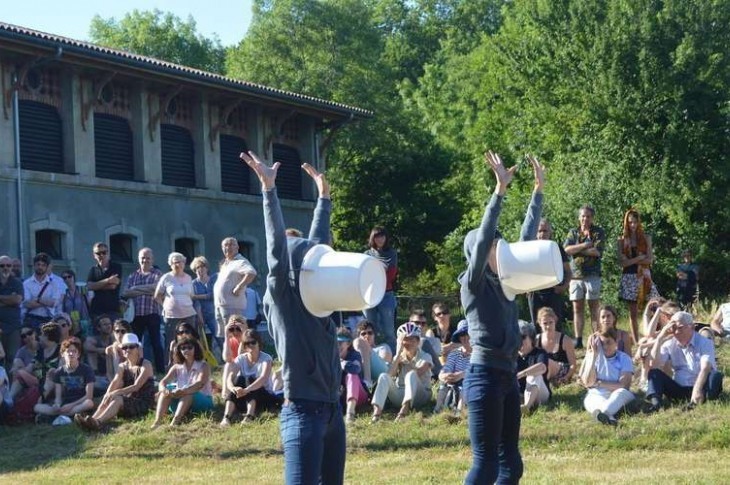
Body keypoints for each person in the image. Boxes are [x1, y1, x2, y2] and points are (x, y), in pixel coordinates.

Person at [241, 149, 345, 484]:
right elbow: (276, 250)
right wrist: (269, 192)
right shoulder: (283, 299)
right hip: (302, 411)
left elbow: (317, 246)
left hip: (332, 411)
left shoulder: (317, 298)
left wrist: (324, 200)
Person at [461, 151, 544, 484]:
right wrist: (499, 192)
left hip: (508, 375)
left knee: (511, 465)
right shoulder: (473, 282)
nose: (500, 251)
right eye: (494, 248)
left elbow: (524, 241)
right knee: (486, 466)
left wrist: (538, 191)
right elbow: (483, 240)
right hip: (483, 376)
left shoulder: (508, 278)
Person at [75, 333, 155, 431]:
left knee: (117, 398)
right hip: (129, 402)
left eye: (131, 347)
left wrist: (115, 392)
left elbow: (136, 386)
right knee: (109, 396)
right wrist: (107, 395)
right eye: (125, 347)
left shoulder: (146, 364)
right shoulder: (122, 366)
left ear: (137, 349)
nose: (128, 350)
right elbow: (115, 382)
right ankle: (91, 420)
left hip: (144, 403)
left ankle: (98, 422)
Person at [646, 311, 723, 412]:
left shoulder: (704, 342)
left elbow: (705, 368)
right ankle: (656, 404)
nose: (676, 332)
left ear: (691, 327)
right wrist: (660, 338)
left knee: (715, 376)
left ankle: (698, 400)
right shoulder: (669, 344)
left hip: (701, 385)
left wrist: (697, 390)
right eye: (673, 328)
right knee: (654, 373)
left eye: (680, 328)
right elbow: (653, 364)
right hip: (680, 388)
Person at [371, 322, 433, 422]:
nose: (409, 342)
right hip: (400, 393)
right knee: (383, 376)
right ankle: (377, 413)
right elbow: (389, 375)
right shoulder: (398, 357)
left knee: (411, 374)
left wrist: (408, 363)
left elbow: (419, 372)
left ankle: (404, 410)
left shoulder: (426, 356)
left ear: (418, 341)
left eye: (412, 339)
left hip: (421, 395)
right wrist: (398, 354)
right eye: (405, 339)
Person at [564, 205, 606, 349]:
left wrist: (578, 250)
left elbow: (597, 252)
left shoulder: (598, 232)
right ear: (579, 217)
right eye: (582, 216)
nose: (585, 219)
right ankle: (578, 339)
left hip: (592, 275)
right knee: (577, 308)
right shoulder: (573, 232)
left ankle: (596, 337)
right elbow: (567, 249)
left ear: (592, 218)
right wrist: (585, 245)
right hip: (575, 277)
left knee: (594, 308)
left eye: (588, 216)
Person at [220, 329, 280, 426]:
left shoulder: (266, 358)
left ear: (258, 343)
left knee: (250, 379)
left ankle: (250, 416)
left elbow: (263, 378)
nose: (250, 345)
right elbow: (230, 376)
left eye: (253, 342)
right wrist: (233, 388)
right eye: (247, 343)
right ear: (243, 345)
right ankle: (226, 417)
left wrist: (247, 390)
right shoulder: (241, 358)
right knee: (240, 380)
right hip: (245, 396)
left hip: (264, 396)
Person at [618, 209, 660, 344]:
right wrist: (639, 258)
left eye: (635, 222)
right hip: (629, 276)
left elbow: (649, 260)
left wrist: (632, 260)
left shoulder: (646, 238)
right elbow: (622, 263)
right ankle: (636, 341)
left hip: (645, 277)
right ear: (626, 223)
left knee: (655, 305)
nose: (633, 225)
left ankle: (654, 336)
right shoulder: (622, 240)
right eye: (630, 222)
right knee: (633, 313)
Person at [151, 337, 213, 428]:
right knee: (165, 392)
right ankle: (157, 422)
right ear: (179, 351)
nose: (186, 350)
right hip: (180, 399)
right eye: (183, 348)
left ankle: (175, 422)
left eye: (189, 347)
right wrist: (164, 390)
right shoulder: (176, 367)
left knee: (189, 393)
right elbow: (163, 382)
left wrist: (183, 390)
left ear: (196, 348)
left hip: (202, 402)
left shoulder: (203, 365)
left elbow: (200, 384)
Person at [579, 328, 635, 426]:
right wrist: (594, 357)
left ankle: (602, 414)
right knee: (590, 400)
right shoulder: (593, 356)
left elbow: (623, 386)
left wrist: (599, 383)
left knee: (619, 393)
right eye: (602, 343)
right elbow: (587, 382)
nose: (605, 346)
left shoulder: (624, 358)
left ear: (616, 342)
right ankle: (609, 418)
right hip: (597, 394)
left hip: (619, 394)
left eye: (608, 342)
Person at [34, 338, 95, 423]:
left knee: (89, 403)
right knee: (37, 407)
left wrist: (71, 405)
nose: (71, 354)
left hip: (80, 402)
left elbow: (89, 396)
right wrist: (57, 405)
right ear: (62, 354)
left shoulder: (86, 370)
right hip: (65, 403)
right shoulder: (59, 372)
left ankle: (58, 417)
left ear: (78, 354)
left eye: (74, 351)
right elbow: (58, 397)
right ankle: (68, 415)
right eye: (68, 351)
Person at [123, 248, 164, 373]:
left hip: (152, 313)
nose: (145, 260)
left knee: (156, 343)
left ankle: (161, 369)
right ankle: (137, 369)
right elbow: (126, 292)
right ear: (138, 259)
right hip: (136, 315)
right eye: (142, 257)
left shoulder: (157, 274)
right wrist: (147, 290)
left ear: (152, 259)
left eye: (147, 258)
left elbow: (157, 288)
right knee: (136, 344)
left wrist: (136, 289)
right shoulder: (132, 275)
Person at [527, 219, 571, 328]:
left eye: (545, 231)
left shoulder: (557, 248)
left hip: (554, 292)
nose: (542, 234)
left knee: (555, 325)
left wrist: (564, 287)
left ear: (550, 232)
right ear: (536, 233)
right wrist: (526, 288)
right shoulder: (529, 248)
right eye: (540, 231)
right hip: (535, 293)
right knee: (536, 326)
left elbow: (568, 271)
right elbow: (524, 270)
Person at [155, 252, 197, 363]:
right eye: (175, 262)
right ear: (170, 264)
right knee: (171, 341)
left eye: (181, 261)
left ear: (184, 263)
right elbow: (157, 295)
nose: (178, 264)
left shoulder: (188, 278)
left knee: (190, 340)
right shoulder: (166, 277)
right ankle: (169, 364)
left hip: (189, 313)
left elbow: (191, 296)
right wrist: (164, 306)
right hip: (171, 315)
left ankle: (190, 362)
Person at [213, 237, 257, 340]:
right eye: (225, 245)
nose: (228, 247)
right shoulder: (226, 263)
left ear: (237, 247)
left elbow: (251, 273)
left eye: (231, 244)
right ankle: (228, 356)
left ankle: (238, 356)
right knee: (225, 337)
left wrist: (239, 286)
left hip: (232, 306)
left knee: (235, 336)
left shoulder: (240, 261)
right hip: (221, 305)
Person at [363, 226, 398, 354]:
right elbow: (363, 275)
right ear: (373, 238)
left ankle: (394, 359)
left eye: (382, 236)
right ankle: (371, 357)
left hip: (386, 294)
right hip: (369, 296)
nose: (380, 239)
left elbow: (391, 275)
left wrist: (377, 277)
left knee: (389, 331)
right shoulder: (367, 254)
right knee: (370, 328)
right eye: (377, 236)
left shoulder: (392, 253)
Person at [434, 319, 471, 416]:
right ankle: (437, 410)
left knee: (465, 385)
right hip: (453, 383)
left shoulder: (479, 354)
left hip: (470, 385)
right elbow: (447, 368)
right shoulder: (454, 353)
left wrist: (462, 375)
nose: (465, 337)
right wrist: (444, 375)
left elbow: (477, 372)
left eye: (468, 334)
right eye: (462, 335)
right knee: (443, 385)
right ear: (459, 337)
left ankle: (459, 413)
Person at [536, 307, 577, 387]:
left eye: (550, 322)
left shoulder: (565, 340)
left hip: (561, 371)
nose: (548, 326)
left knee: (547, 361)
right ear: (540, 324)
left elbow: (573, 365)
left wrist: (566, 377)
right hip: (543, 370)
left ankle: (544, 385)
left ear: (555, 321)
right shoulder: (537, 340)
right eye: (545, 323)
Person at [516, 321, 550, 414]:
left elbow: (542, 367)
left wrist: (521, 374)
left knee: (534, 375)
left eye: (523, 337)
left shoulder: (539, 352)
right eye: (517, 338)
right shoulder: (512, 357)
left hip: (540, 394)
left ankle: (527, 407)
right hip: (520, 394)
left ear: (531, 337)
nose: (520, 341)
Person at [336, 327, 368, 424]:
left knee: (351, 375)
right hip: (339, 396)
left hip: (358, 395)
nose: (337, 346)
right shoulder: (330, 356)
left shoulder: (355, 355)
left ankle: (350, 413)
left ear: (349, 344)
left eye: (340, 343)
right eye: (335, 343)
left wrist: (341, 363)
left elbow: (355, 369)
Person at [22, 253, 63, 329]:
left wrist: (37, 299)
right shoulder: (26, 284)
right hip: (31, 319)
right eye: (38, 264)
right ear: (34, 265)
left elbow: (54, 303)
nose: (40, 267)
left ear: (47, 267)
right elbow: (27, 304)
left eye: (43, 265)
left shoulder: (54, 284)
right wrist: (46, 302)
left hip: (49, 319)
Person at [86, 242, 123, 320]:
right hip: (96, 311)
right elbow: (89, 286)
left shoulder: (116, 267)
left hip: (112, 310)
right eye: (98, 253)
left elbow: (113, 286)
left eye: (104, 252)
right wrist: (108, 280)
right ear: (94, 255)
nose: (101, 255)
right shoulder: (93, 270)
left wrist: (96, 286)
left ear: (108, 253)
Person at [190, 256, 219, 354]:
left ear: (206, 268)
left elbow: (214, 296)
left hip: (214, 314)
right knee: (199, 340)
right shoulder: (193, 283)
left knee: (219, 337)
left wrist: (197, 296)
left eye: (202, 267)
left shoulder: (213, 280)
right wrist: (199, 316)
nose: (200, 269)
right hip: (199, 314)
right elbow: (195, 301)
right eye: (197, 268)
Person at [352, 319, 392, 388]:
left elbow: (385, 361)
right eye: (363, 333)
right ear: (359, 336)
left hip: (382, 373)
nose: (367, 335)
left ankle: (368, 382)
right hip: (360, 370)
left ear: (374, 335)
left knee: (358, 342)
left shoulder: (383, 346)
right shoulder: (356, 348)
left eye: (370, 333)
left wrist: (366, 348)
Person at [0, 254, 24, 366]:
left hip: (13, 327)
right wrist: (9, 299)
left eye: (8, 265)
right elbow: (13, 300)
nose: (5, 268)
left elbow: (17, 300)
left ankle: (10, 383)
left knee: (12, 358)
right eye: (2, 265)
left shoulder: (17, 283)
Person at [84, 314, 114, 391]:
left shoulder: (113, 337)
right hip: (97, 372)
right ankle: (95, 375)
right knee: (91, 353)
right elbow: (86, 347)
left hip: (111, 370)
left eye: (109, 324)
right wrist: (103, 350)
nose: (108, 326)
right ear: (98, 328)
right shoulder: (93, 339)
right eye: (105, 324)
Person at [409, 310, 442, 379]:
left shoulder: (435, 341)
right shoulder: (404, 341)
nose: (420, 326)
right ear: (410, 323)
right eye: (417, 323)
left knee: (423, 341)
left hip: (432, 373)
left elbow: (434, 362)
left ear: (426, 326)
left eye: (423, 323)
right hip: (411, 372)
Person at [220, 314, 246, 398]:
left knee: (230, 365)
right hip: (236, 371)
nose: (235, 332)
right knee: (228, 364)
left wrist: (244, 334)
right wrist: (226, 336)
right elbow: (226, 358)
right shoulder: (230, 340)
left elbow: (241, 357)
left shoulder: (250, 339)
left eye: (238, 329)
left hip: (249, 368)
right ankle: (226, 394)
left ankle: (226, 393)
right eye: (232, 329)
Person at [60, 269, 91, 337]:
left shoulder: (82, 289)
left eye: (69, 276)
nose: (67, 279)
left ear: (74, 277)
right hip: (71, 324)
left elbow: (89, 303)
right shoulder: (64, 293)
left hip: (84, 321)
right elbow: (62, 309)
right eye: (65, 278)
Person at [105, 319, 132, 383]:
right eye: (117, 331)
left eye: (123, 331)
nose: (119, 334)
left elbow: (138, 369)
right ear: (113, 333)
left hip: (132, 380)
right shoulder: (110, 349)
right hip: (116, 380)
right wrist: (114, 384)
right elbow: (109, 372)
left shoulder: (135, 347)